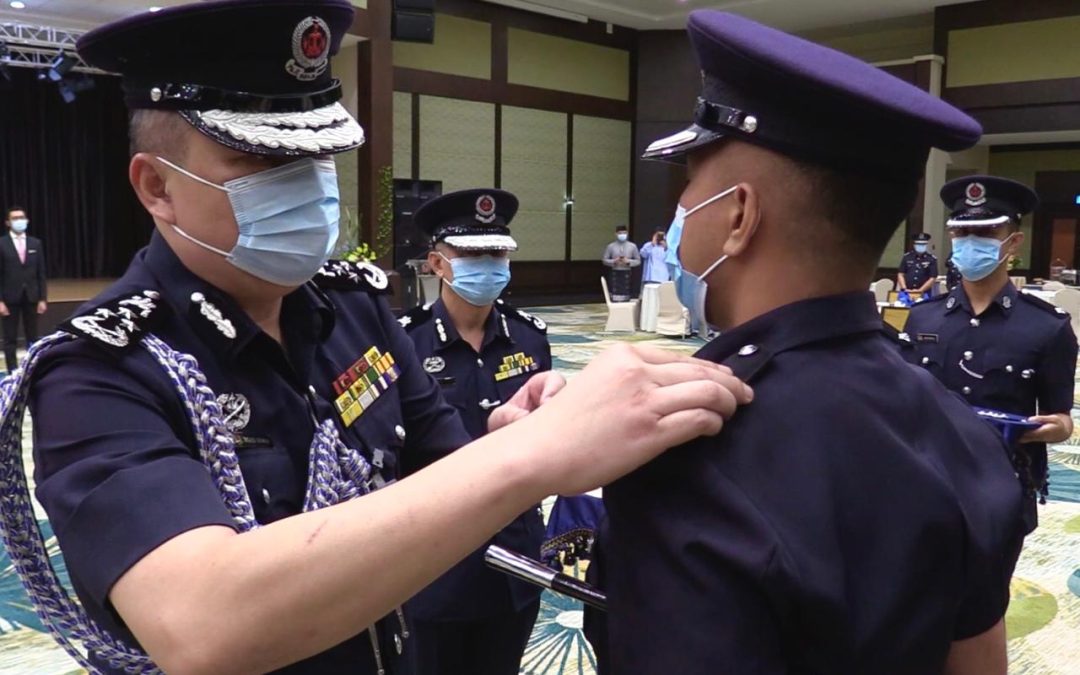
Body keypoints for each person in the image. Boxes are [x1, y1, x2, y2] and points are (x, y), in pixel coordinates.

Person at [2, 2, 753, 674]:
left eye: (318, 158)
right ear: (156, 186)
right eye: (264, 160)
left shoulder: (350, 310)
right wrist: (530, 457)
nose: (306, 184)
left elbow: (442, 460)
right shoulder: (100, 369)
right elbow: (203, 623)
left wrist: (512, 432)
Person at [586, 11, 1025, 675]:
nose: (679, 214)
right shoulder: (957, 428)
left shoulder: (689, 451)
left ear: (739, 214)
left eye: (690, 186)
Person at [399, 188, 548, 675]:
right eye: (471, 255)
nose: (488, 266)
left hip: (515, 549)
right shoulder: (405, 342)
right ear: (437, 264)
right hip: (436, 558)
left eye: (497, 254)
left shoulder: (529, 337)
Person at [903, 175, 1077, 533]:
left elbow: (1060, 418)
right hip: (928, 479)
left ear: (1013, 242)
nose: (971, 242)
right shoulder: (923, 317)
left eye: (985, 233)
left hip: (1003, 481)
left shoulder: (1047, 326)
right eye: (961, 233)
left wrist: (1057, 428)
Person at [0, 206, 48, 370]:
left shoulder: (36, 243)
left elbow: (41, 273)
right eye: (15, 218)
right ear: (8, 222)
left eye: (21, 217)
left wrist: (42, 298)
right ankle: (13, 372)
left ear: (26, 220)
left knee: (32, 337)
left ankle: (32, 369)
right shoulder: (2, 244)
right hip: (9, 298)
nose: (19, 221)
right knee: (10, 339)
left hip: (32, 296)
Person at [601, 224, 640, 301]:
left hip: (627, 272)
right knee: (614, 296)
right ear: (616, 234)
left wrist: (628, 261)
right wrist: (614, 261)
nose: (622, 235)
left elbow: (638, 261)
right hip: (615, 272)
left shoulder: (632, 246)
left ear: (627, 233)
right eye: (620, 233)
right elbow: (604, 260)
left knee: (626, 295)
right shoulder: (611, 246)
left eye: (624, 233)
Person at [898, 231, 938, 297]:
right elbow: (900, 274)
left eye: (923, 244)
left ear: (926, 245)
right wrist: (904, 288)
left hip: (924, 293)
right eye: (918, 244)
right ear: (914, 245)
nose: (921, 246)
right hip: (906, 292)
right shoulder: (907, 257)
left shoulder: (931, 259)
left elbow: (932, 278)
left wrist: (920, 290)